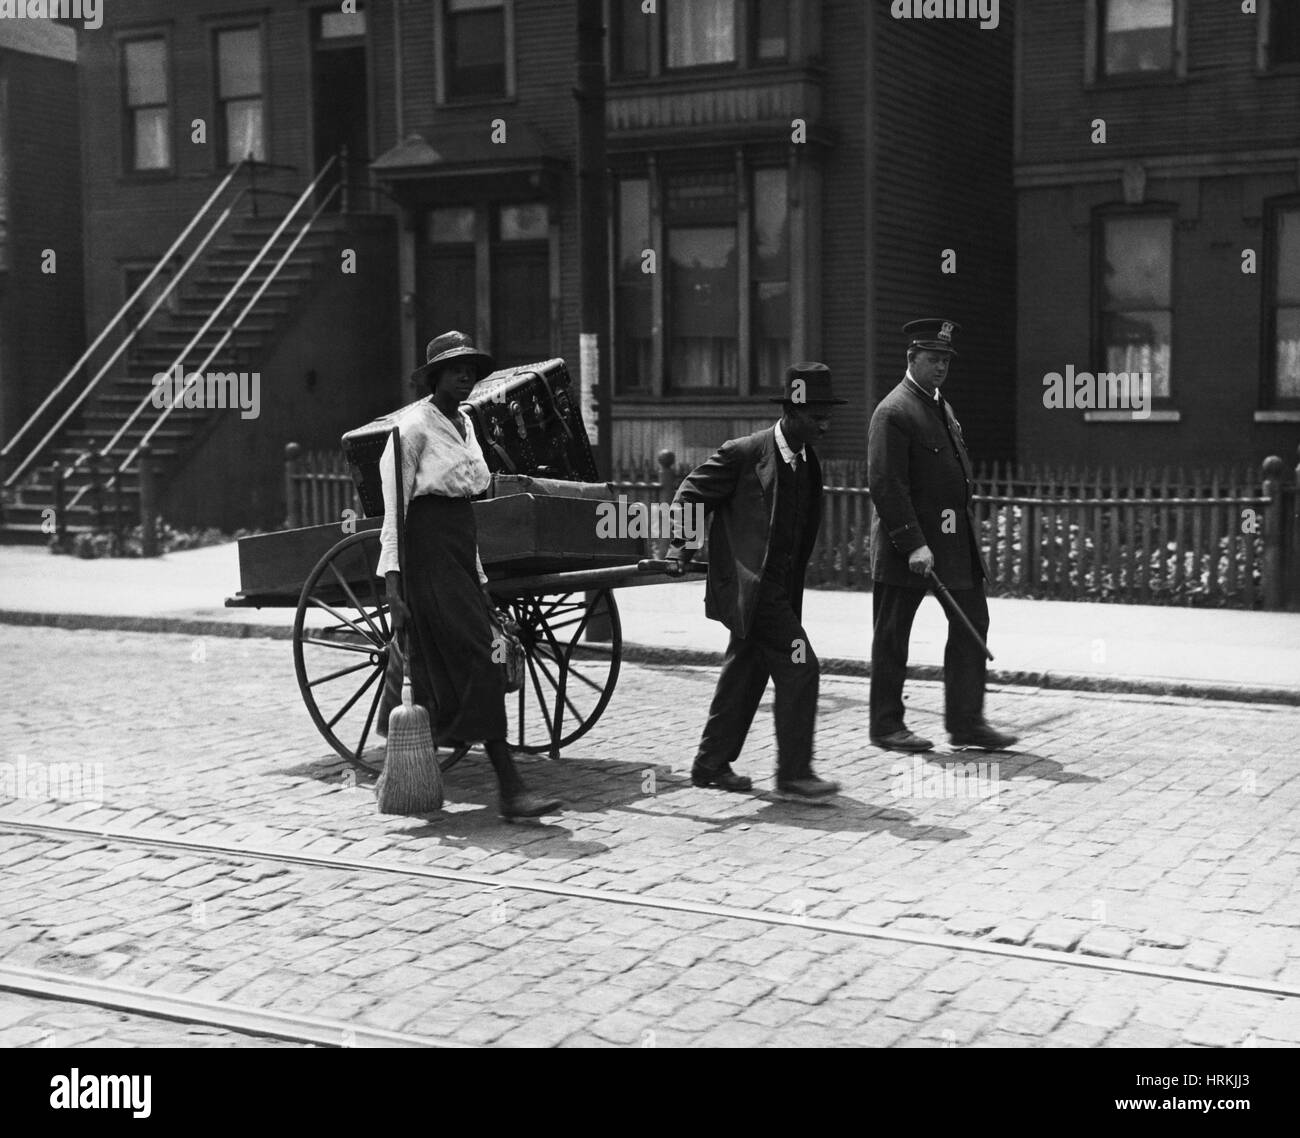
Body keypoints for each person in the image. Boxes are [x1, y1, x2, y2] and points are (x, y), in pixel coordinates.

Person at [377, 330, 561, 820]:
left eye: (471, 370)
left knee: (463, 659)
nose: (465, 377)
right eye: (455, 369)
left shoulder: (466, 425)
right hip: (427, 553)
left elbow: (466, 510)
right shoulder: (412, 429)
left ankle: (422, 756)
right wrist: (394, 589)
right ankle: (511, 788)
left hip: (459, 549)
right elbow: (395, 516)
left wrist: (479, 578)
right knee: (481, 658)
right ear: (434, 375)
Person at [665, 363, 844, 801]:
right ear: (791, 412)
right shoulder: (745, 453)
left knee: (745, 672)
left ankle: (710, 764)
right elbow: (691, 492)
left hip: (781, 589)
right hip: (752, 586)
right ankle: (794, 774)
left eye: (826, 415)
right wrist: (681, 548)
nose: (824, 424)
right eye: (815, 416)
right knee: (802, 667)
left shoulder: (808, 460)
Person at [866, 319, 1018, 753]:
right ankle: (887, 726)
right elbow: (885, 484)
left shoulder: (940, 407)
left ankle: (967, 723)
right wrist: (913, 542)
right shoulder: (893, 412)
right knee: (893, 636)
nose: (941, 367)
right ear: (911, 358)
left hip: (952, 546)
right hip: (906, 548)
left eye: (946, 360)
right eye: (933, 359)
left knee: (972, 625)